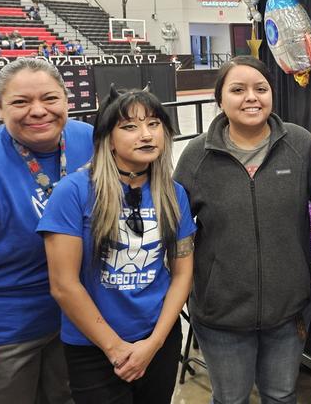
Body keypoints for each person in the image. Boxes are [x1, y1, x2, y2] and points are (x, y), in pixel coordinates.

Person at [174, 56, 311, 404]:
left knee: (282, 394)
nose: (251, 97)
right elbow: (175, 230)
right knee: (230, 398)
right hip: (221, 314)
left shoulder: (300, 146)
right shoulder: (196, 157)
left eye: (260, 88)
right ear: (220, 100)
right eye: (238, 90)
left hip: (289, 311)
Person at [38, 87, 195, 404]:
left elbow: (182, 274)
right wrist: (115, 348)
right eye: (130, 126)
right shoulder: (74, 192)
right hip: (93, 348)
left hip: (158, 341)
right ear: (107, 138)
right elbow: (64, 285)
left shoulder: (173, 192)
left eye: (153, 124)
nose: (146, 135)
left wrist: (154, 344)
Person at [0, 57, 93, 403]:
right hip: (6, 334)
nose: (38, 111)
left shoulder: (90, 141)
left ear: (67, 99)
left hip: (76, 320)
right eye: (21, 102)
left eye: (50, 98)